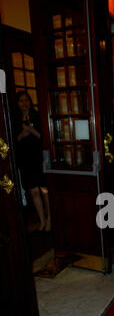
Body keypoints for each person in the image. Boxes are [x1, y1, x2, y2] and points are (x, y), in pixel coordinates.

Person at [14, 91, 51, 232]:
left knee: (45, 191)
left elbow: (44, 137)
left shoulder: (38, 116)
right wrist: (23, 134)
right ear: (17, 104)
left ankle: (50, 220)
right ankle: (41, 221)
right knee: (34, 192)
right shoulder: (15, 119)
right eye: (21, 101)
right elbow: (13, 142)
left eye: (27, 100)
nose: (24, 103)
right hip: (26, 161)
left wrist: (31, 129)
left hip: (39, 159)